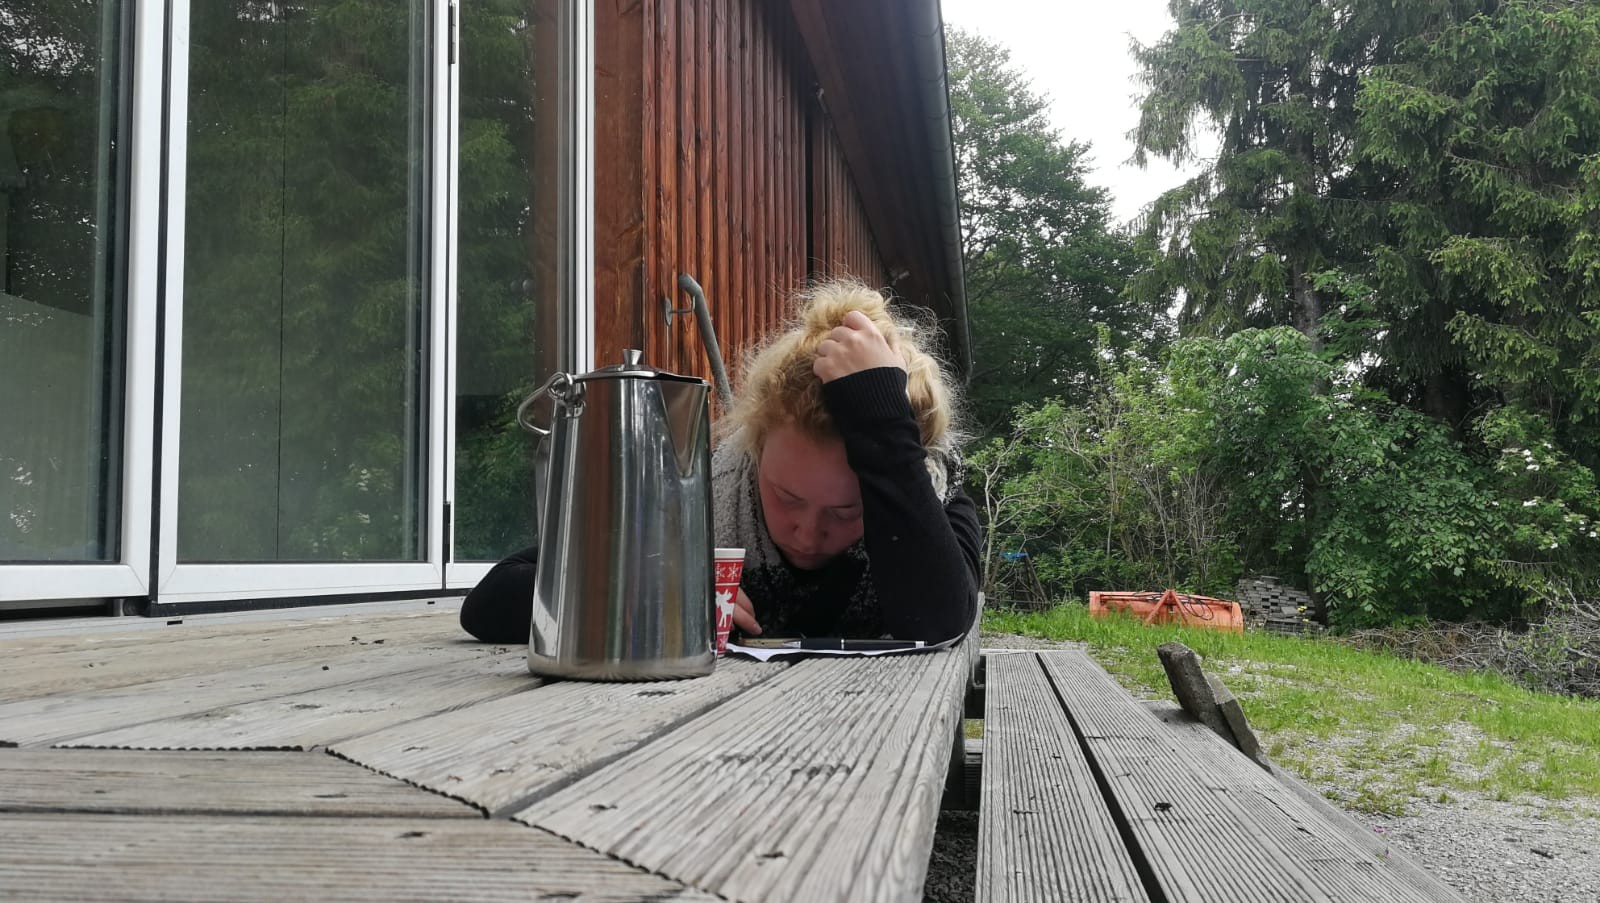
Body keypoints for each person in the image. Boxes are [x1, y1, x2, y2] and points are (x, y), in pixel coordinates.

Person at [458, 278, 981, 645]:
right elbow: (490, 602)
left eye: (847, 511)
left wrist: (884, 428)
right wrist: (660, 592)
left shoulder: (934, 496)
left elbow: (939, 624)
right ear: (755, 452)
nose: (807, 533)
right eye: (786, 497)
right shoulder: (700, 494)